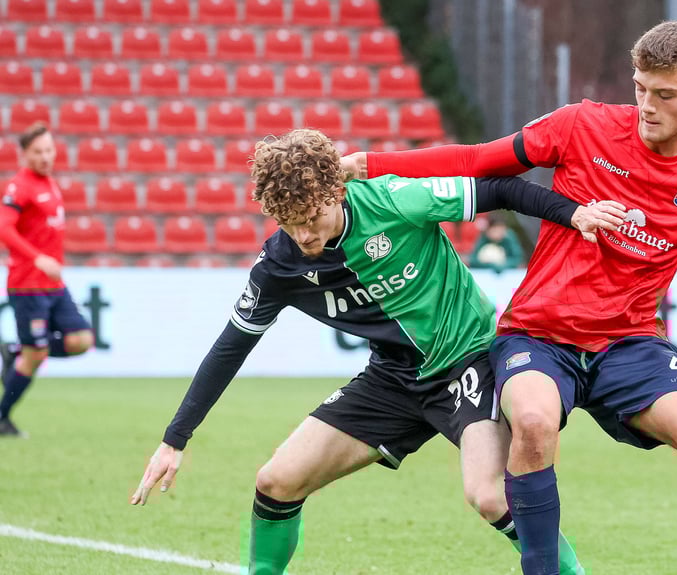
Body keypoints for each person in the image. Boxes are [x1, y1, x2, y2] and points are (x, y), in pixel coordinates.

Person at [341, 21, 677, 575]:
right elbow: (481, 160)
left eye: (665, 94)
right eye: (641, 87)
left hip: (630, 343)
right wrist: (373, 165)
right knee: (532, 419)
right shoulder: (582, 125)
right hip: (539, 334)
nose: (647, 104)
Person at [129, 129, 625, 575]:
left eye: (311, 217)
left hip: (468, 360)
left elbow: (499, 187)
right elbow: (230, 347)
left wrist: (573, 212)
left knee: (489, 494)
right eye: (288, 222)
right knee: (277, 481)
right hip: (391, 380)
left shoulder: (394, 198)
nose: (303, 235)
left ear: (336, 192)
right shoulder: (278, 265)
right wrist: (175, 439)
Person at [0, 123, 94, 438]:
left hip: (53, 285)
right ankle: (2, 418)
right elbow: (5, 228)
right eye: (38, 151)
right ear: (25, 154)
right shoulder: (20, 186)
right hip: (27, 285)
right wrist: (36, 257)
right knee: (36, 356)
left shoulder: (50, 184)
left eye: (49, 150)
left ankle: (17, 349)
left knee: (82, 340)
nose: (45, 157)